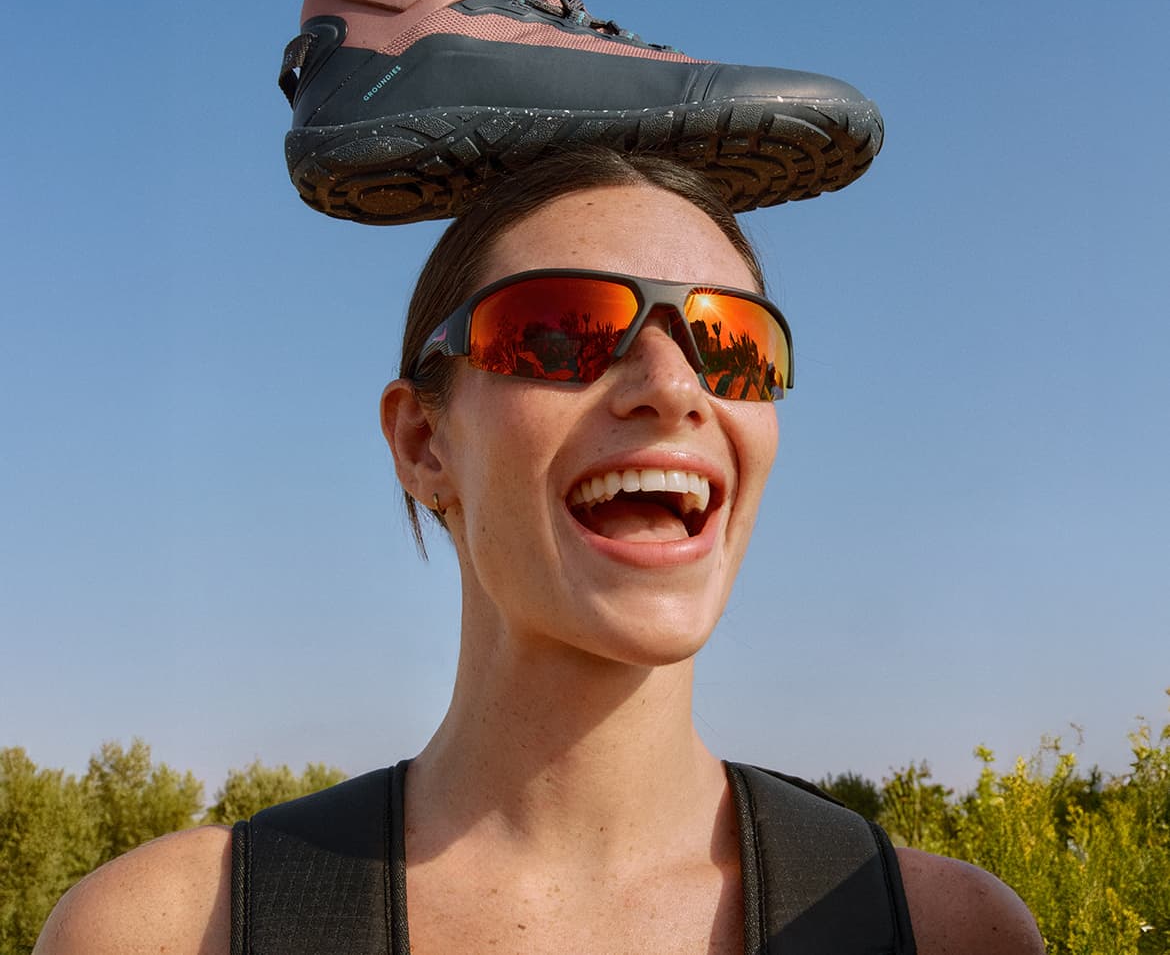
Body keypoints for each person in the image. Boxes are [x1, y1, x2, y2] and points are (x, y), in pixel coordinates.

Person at [34, 149, 1045, 954]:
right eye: (563, 332)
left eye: (733, 344)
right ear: (423, 443)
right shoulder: (172, 931)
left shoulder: (945, 933)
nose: (674, 387)